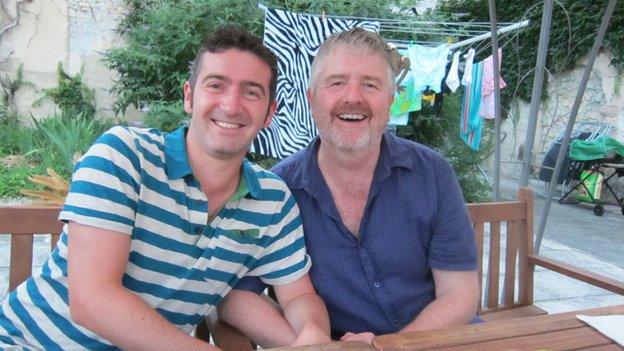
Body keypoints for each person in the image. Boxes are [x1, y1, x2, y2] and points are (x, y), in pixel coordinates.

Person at [0, 25, 330, 350]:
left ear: (270, 113)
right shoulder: (124, 155)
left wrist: (313, 337)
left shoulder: (271, 201)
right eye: (216, 85)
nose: (231, 105)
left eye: (251, 92)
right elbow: (92, 300)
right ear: (189, 96)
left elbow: (298, 295)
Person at [218, 27, 480, 346]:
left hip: (434, 343)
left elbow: (460, 292)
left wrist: (391, 347)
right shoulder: (278, 191)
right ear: (312, 99)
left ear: (391, 99)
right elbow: (235, 296)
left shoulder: (433, 174)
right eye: (337, 83)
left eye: (370, 84)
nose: (353, 97)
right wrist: (315, 346)